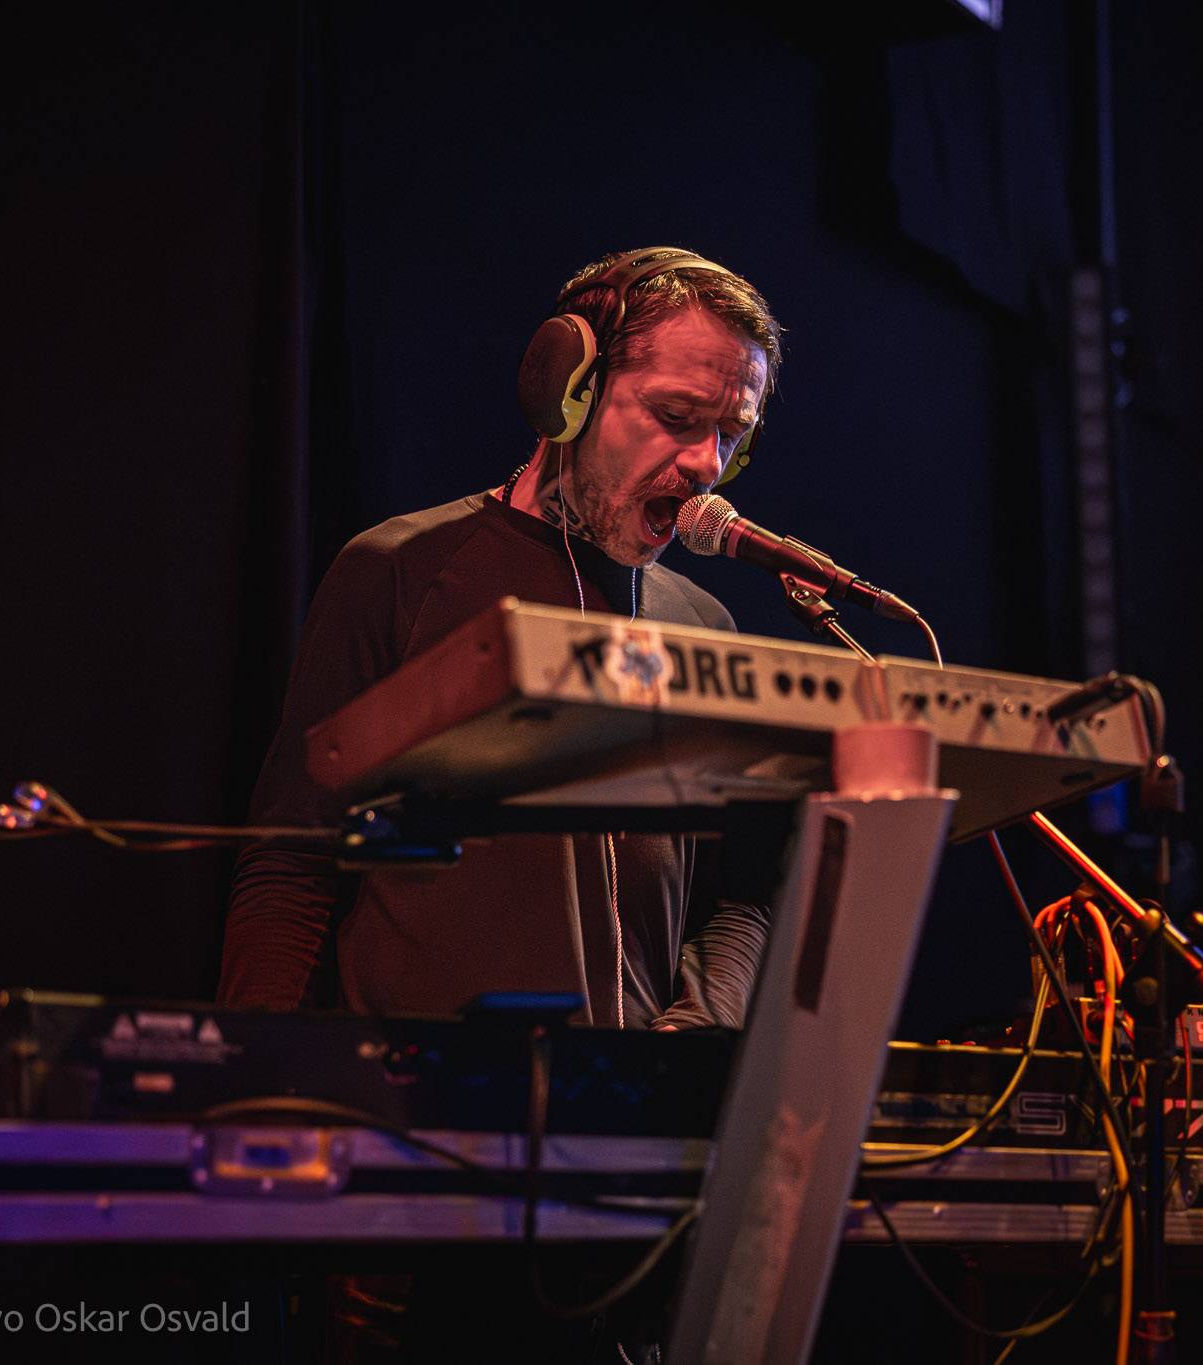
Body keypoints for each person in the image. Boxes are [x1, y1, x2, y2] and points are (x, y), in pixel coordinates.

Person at [219, 246, 781, 1033]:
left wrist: (702, 1025)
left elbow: (738, 897)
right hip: (417, 1092)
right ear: (569, 392)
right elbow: (291, 861)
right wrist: (261, 1064)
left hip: (629, 1096)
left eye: (729, 433)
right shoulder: (400, 570)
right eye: (677, 417)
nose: (705, 464)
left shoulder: (704, 625)